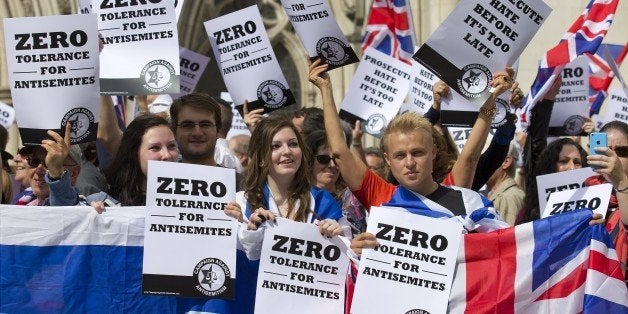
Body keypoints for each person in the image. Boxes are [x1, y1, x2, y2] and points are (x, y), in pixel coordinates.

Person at [309, 58, 513, 239]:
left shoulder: (459, 194)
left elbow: (470, 156)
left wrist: (493, 98)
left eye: (418, 152)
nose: (409, 163)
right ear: (387, 159)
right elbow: (339, 152)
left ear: (433, 152)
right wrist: (326, 89)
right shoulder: (380, 195)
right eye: (400, 155)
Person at [223, 115, 348, 314]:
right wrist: (250, 229)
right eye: (276, 146)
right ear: (262, 157)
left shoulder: (323, 201)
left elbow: (346, 258)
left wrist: (338, 236)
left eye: (293, 144)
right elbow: (238, 264)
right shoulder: (241, 202)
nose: (287, 151)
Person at [102, 115, 179, 206]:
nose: (167, 155)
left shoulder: (195, 196)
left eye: (171, 146)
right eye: (155, 147)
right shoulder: (109, 200)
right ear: (134, 153)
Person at [585, 121, 628, 279]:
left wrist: (622, 182)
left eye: (622, 151)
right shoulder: (584, 191)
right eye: (606, 150)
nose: (613, 157)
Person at [306, 130, 368, 236]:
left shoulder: (352, 201)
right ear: (309, 161)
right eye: (323, 159)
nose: (332, 165)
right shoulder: (297, 198)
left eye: (336, 159)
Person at [516, 137, 588, 224]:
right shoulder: (528, 213)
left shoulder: (594, 206)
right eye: (564, 161)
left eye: (577, 162)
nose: (572, 168)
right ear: (550, 166)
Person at [169, 93, 222, 166]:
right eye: (187, 125)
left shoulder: (235, 177)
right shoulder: (155, 176)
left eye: (205, 125)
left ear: (218, 130)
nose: (197, 133)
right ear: (174, 131)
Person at [485, 143, 525, 225]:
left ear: (506, 162)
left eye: (485, 159)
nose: (478, 165)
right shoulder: (498, 195)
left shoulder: (509, 197)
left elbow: (510, 236)